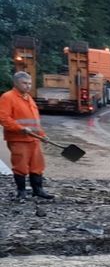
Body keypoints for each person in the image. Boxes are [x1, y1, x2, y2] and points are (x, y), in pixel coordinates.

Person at [0, 72, 53, 200]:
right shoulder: (8, 97)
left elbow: (35, 121)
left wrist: (43, 135)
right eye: (24, 83)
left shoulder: (28, 98)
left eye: (29, 83)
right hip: (18, 139)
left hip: (34, 139)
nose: (28, 86)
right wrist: (20, 129)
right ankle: (21, 192)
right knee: (20, 166)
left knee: (37, 165)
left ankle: (38, 190)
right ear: (16, 83)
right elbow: (3, 117)